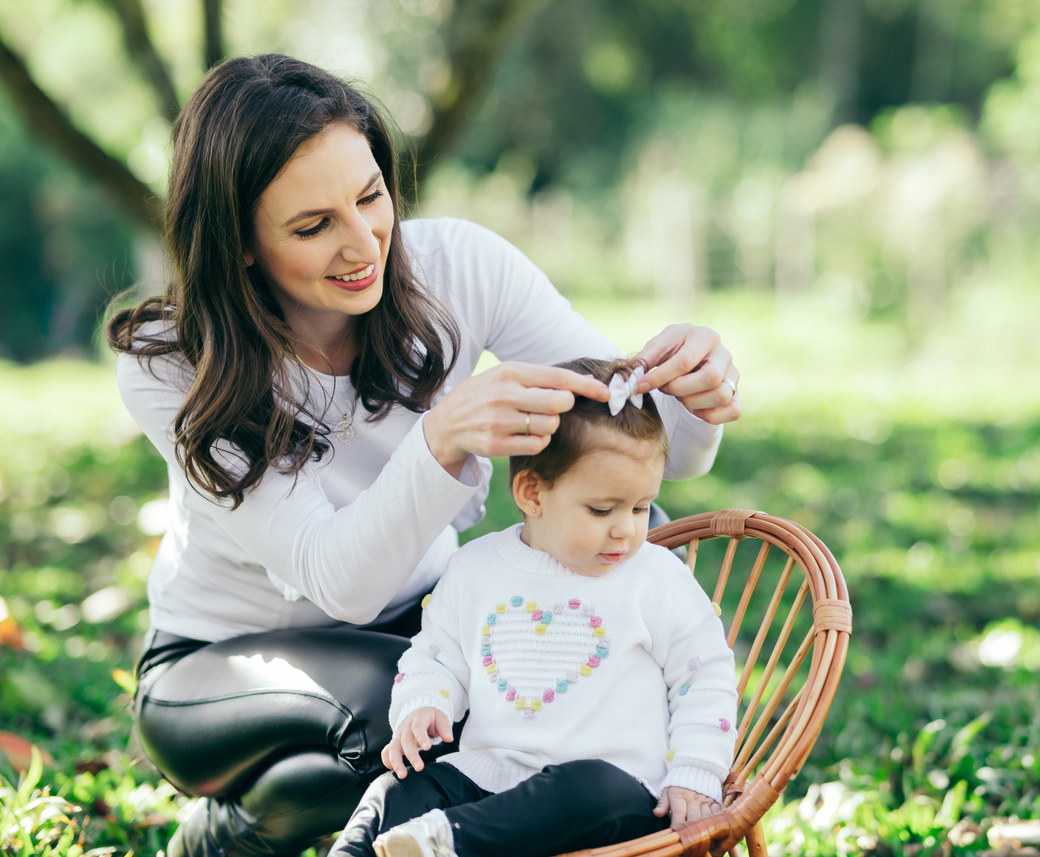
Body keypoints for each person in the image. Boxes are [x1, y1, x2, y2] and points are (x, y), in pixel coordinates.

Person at [108, 54, 740, 857]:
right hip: (217, 666)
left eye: (371, 196)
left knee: (544, 698)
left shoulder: (457, 269)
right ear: (239, 244)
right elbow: (339, 579)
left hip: (424, 623)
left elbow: (653, 450)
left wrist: (696, 389)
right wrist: (439, 442)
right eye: (313, 226)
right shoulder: (172, 361)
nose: (363, 242)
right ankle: (228, 834)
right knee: (397, 714)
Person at [330, 357, 737, 857]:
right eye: (602, 509)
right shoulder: (477, 567)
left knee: (591, 789)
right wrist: (425, 701)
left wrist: (695, 773)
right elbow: (436, 654)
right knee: (397, 789)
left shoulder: (654, 577)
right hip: (490, 777)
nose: (626, 529)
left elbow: (706, 677)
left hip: (616, 793)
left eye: (640, 507)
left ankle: (451, 842)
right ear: (532, 494)